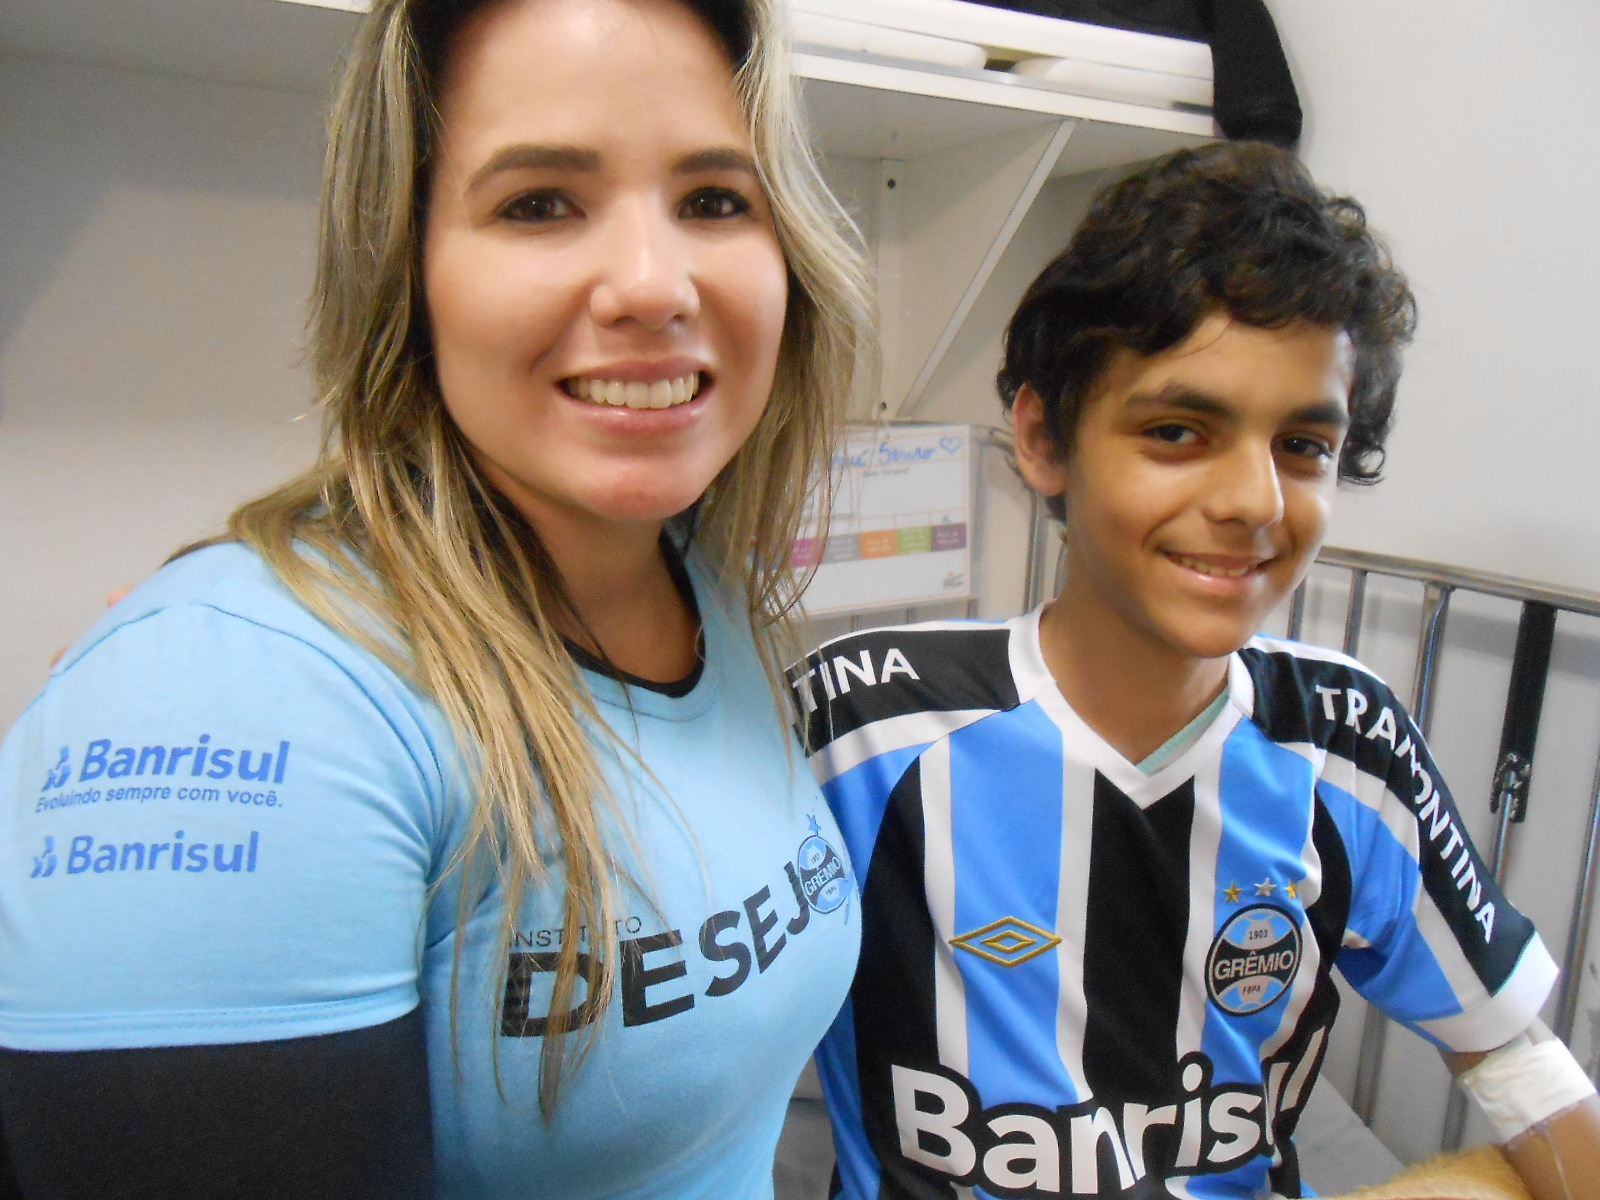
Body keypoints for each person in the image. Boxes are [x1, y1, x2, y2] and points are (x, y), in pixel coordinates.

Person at [0, 0, 870, 1194]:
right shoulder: (235, 696)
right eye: (539, 203)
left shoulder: (696, 575)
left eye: (716, 200)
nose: (652, 285)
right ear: (403, 266)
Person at [793, 141, 1600, 1200]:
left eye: (1302, 446)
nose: (1255, 502)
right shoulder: (860, 726)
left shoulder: (1345, 743)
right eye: (1179, 431)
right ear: (1041, 437)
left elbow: (1506, 1054)